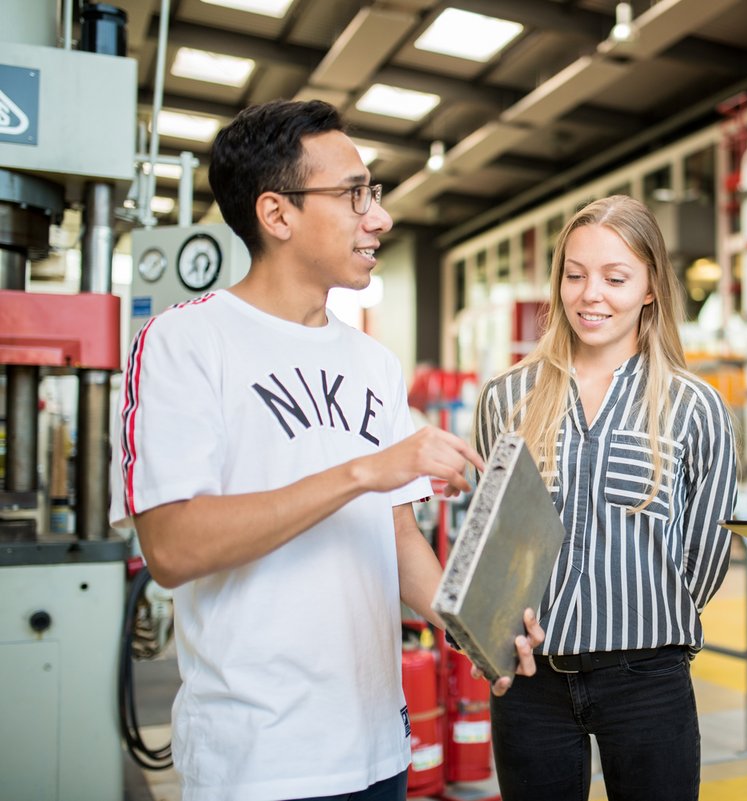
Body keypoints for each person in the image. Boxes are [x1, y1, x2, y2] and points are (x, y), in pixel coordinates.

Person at [111, 99, 541, 801]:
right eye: (353, 195)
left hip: (375, 747)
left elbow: (398, 537)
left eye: (372, 194)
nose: (379, 217)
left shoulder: (372, 362)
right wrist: (365, 471)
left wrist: (479, 626)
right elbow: (173, 546)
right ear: (277, 214)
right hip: (257, 759)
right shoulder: (186, 344)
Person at [474, 195, 739, 801]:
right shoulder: (506, 398)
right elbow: (494, 537)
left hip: (649, 678)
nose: (591, 294)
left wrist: (645, 618)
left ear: (650, 288)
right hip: (532, 677)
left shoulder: (695, 407)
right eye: (575, 274)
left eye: (615, 278)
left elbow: (707, 549)